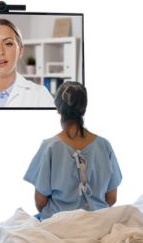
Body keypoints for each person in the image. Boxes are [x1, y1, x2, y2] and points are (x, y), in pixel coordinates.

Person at [22, 81, 122, 222]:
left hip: (59, 225)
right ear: (84, 108)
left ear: (57, 108)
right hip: (97, 224)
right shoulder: (105, 145)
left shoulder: (48, 146)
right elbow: (111, 199)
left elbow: (40, 203)